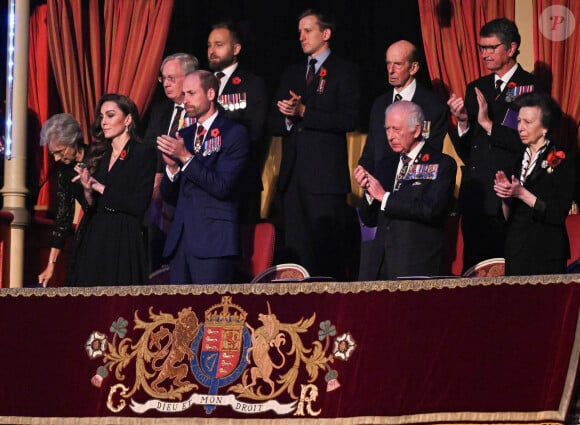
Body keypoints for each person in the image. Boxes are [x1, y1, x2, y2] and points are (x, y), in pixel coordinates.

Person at [448, 18, 545, 272]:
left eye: (491, 48)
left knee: (507, 275)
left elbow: (528, 142)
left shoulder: (531, 86)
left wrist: (488, 124)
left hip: (508, 194)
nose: (485, 54)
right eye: (481, 48)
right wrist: (462, 123)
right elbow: (467, 151)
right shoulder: (476, 87)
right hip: (476, 196)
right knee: (474, 273)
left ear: (511, 49)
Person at [270, 9, 360, 280]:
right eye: (299, 32)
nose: (301, 37)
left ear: (326, 34)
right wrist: (286, 116)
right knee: (298, 255)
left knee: (326, 253)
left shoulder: (344, 71)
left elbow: (349, 119)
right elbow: (273, 122)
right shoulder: (293, 72)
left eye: (307, 31)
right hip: (292, 179)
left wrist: (305, 112)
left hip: (325, 180)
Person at [157, 70, 249, 284]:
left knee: (211, 312)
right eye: (184, 94)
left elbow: (223, 187)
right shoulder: (184, 135)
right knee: (179, 315)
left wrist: (185, 157)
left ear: (210, 94)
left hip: (213, 240)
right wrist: (171, 169)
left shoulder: (233, 133)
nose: (185, 100)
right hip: (181, 241)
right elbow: (169, 196)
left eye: (191, 93)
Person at [354, 101, 456, 280]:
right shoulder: (386, 164)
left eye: (396, 129)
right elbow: (369, 219)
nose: (390, 136)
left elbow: (430, 210)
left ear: (416, 130)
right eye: (387, 129)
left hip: (415, 265)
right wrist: (370, 193)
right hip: (380, 265)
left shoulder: (441, 164)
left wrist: (384, 197)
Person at [68, 94, 156, 286]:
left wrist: (99, 186)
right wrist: (87, 190)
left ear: (128, 119)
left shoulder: (143, 153)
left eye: (110, 115)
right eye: (102, 117)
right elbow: (91, 205)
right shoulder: (99, 155)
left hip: (124, 235)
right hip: (96, 233)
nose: (104, 122)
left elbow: (138, 205)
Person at [493, 93, 573, 275]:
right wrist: (506, 197)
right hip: (516, 250)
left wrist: (522, 193)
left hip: (547, 251)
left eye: (527, 122)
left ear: (545, 127)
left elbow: (557, 213)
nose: (520, 127)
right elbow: (506, 218)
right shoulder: (516, 159)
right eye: (519, 121)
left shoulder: (563, 161)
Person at [143, 53, 199, 273]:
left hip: (190, 194)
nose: (165, 84)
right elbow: (149, 148)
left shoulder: (202, 111)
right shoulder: (160, 111)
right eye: (163, 78)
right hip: (160, 195)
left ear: (189, 77)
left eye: (171, 78)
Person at [208, 22, 268, 223]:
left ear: (236, 49)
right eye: (209, 46)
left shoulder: (252, 84)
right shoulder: (201, 82)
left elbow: (255, 130)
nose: (212, 51)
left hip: (239, 180)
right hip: (205, 179)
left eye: (218, 45)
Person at [359, 40, 448, 174]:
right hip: (376, 187)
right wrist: (363, 172)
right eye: (388, 63)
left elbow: (430, 155)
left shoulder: (432, 106)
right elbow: (370, 149)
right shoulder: (379, 104)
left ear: (413, 68)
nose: (391, 70)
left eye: (398, 64)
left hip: (411, 188)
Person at [37, 114, 89, 287]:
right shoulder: (63, 170)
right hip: (87, 232)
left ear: (74, 141)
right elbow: (63, 219)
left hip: (112, 229)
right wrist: (51, 265)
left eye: (60, 152)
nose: (57, 158)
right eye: (53, 153)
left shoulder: (99, 156)